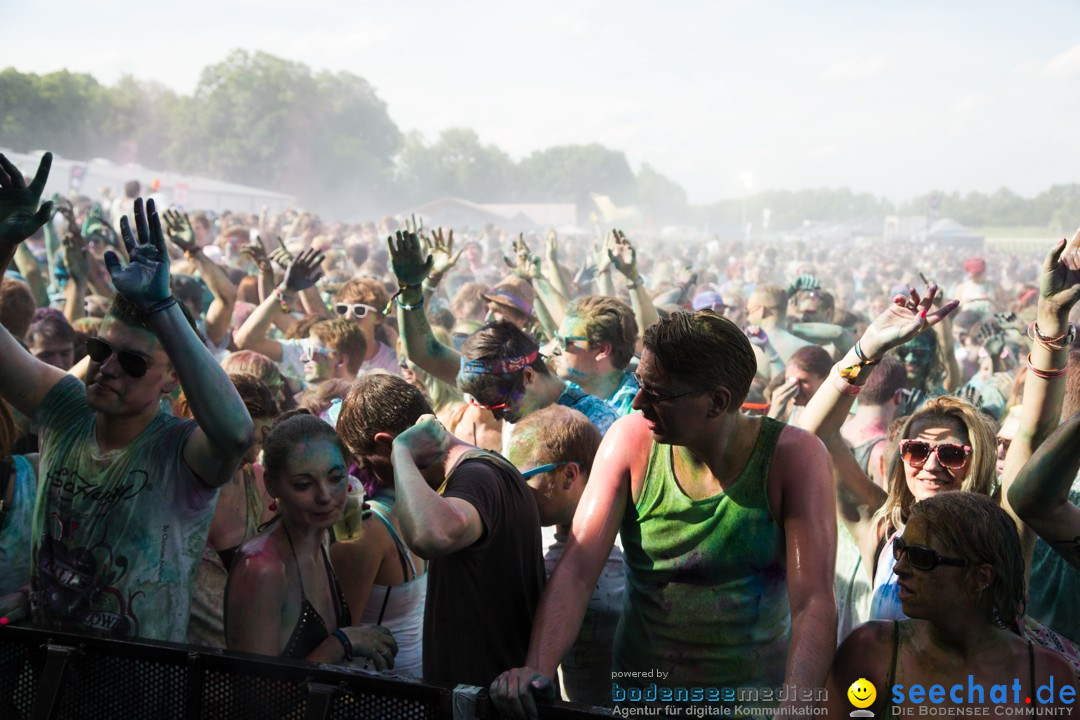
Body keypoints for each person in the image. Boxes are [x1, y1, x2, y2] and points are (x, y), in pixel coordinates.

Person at [491, 310, 837, 718]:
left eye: (658, 393)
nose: (638, 403)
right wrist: (537, 670)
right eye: (640, 385)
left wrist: (794, 709)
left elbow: (813, 602)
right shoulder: (630, 442)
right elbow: (578, 569)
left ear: (717, 402)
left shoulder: (792, 459)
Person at [0, 179, 255, 641]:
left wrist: (162, 306)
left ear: (173, 377)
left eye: (134, 362)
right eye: (100, 348)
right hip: (48, 674)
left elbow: (237, 435)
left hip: (138, 687)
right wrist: (3, 244)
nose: (108, 368)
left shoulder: (180, 451)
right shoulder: (65, 410)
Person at [335, 373, 544, 687]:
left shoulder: (477, 477)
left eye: (367, 465)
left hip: (488, 697)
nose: (373, 478)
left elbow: (430, 536)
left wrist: (402, 453)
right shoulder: (475, 475)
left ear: (385, 444)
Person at [825, 492, 1076, 716]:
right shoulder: (870, 652)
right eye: (901, 549)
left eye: (921, 557)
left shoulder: (1048, 679)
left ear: (981, 577)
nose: (899, 568)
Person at [225, 413, 397, 666]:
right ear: (272, 486)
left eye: (336, 478)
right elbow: (255, 697)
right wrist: (341, 643)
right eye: (304, 484)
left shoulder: (323, 541)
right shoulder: (262, 568)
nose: (325, 496)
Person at [507, 405, 622, 707]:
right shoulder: (532, 538)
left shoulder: (631, 542)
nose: (515, 492)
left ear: (569, 475)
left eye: (524, 479)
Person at [185, 373, 279, 648]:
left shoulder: (261, 483)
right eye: (242, 440)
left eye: (261, 441)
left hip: (247, 660)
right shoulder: (169, 484)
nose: (252, 455)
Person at [548, 295, 639, 416]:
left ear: (602, 350)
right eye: (557, 338)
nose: (555, 349)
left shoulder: (637, 406)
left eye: (565, 342)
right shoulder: (558, 393)